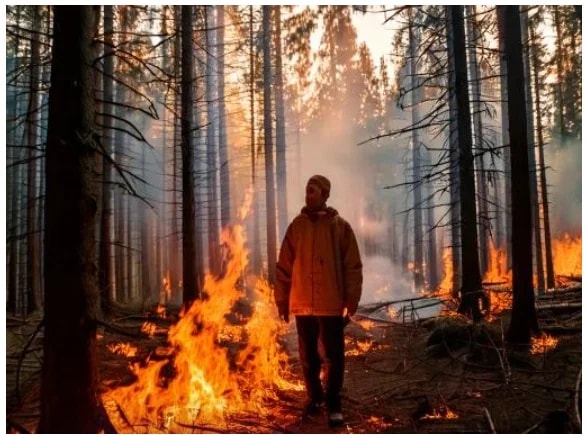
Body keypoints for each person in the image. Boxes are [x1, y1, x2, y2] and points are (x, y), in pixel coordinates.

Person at [274, 174, 363, 428]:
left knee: (334, 355)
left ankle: (334, 403)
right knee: (308, 355)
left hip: (331, 303)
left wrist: (351, 301)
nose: (308, 194)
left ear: (325, 195)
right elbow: (283, 267)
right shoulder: (297, 227)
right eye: (307, 190)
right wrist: (281, 299)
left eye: (313, 191)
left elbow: (352, 267)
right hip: (302, 302)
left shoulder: (340, 227)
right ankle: (314, 398)